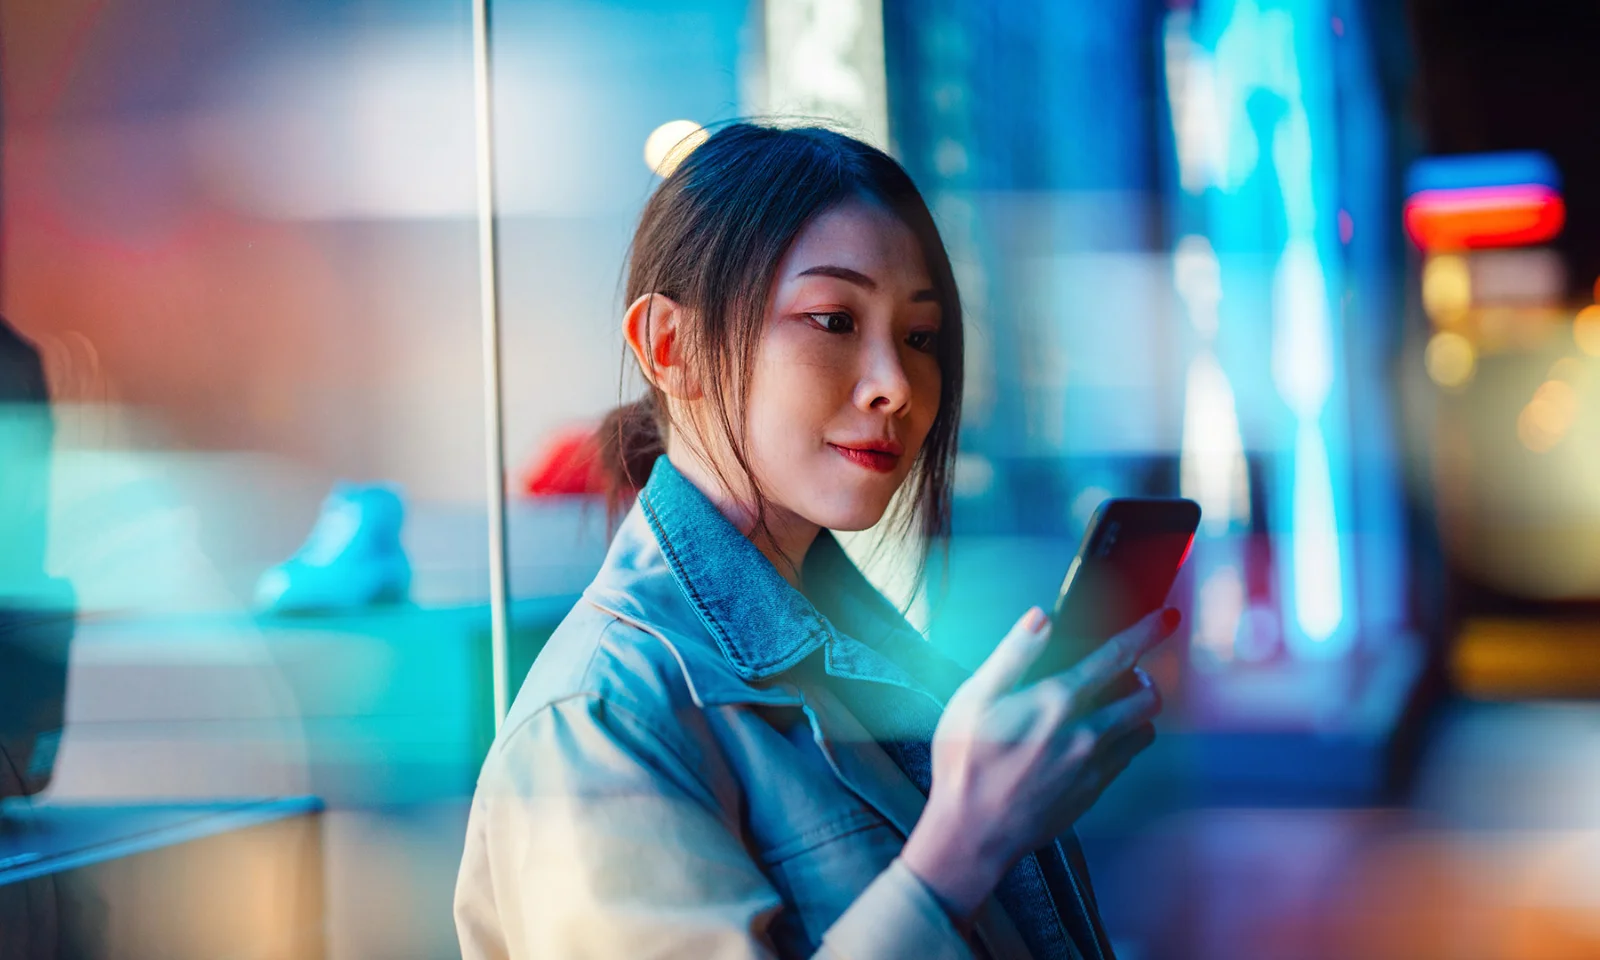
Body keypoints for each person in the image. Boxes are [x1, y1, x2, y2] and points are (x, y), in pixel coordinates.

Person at [454, 122, 1179, 960]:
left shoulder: (863, 655)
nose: (896, 386)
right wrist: (961, 846)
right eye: (833, 319)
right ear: (670, 346)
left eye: (919, 337)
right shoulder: (603, 718)